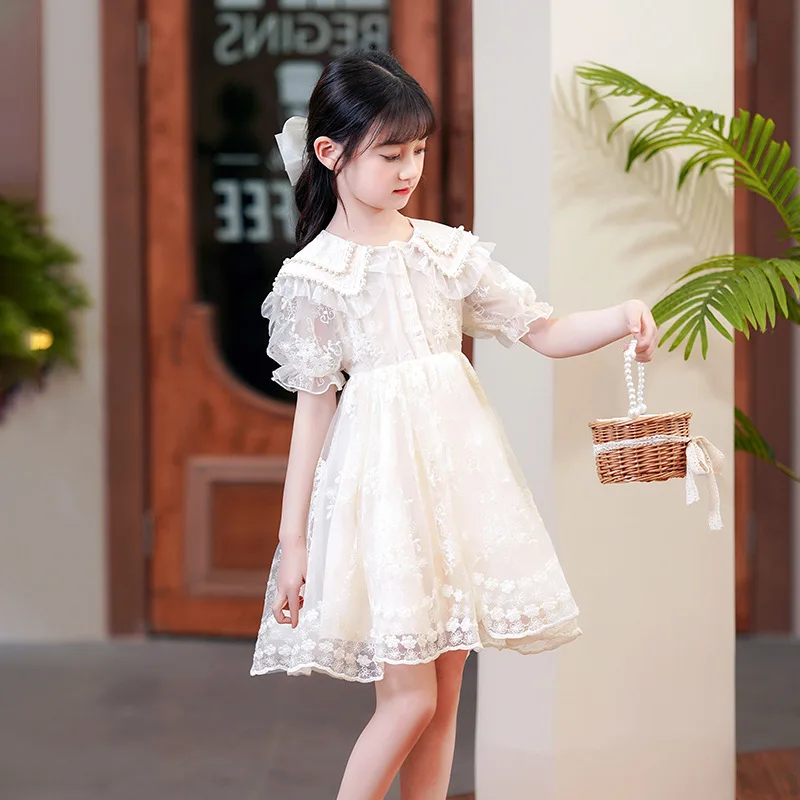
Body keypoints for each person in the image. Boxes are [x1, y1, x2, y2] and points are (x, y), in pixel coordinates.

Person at [250, 50, 657, 800]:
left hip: (461, 487)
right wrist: (294, 542)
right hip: (386, 495)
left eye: (418, 151)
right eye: (391, 154)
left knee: (444, 701)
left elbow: (541, 329)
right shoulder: (314, 276)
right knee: (410, 701)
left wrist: (622, 315)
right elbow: (313, 409)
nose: (409, 170)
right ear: (330, 153)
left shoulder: (444, 251)